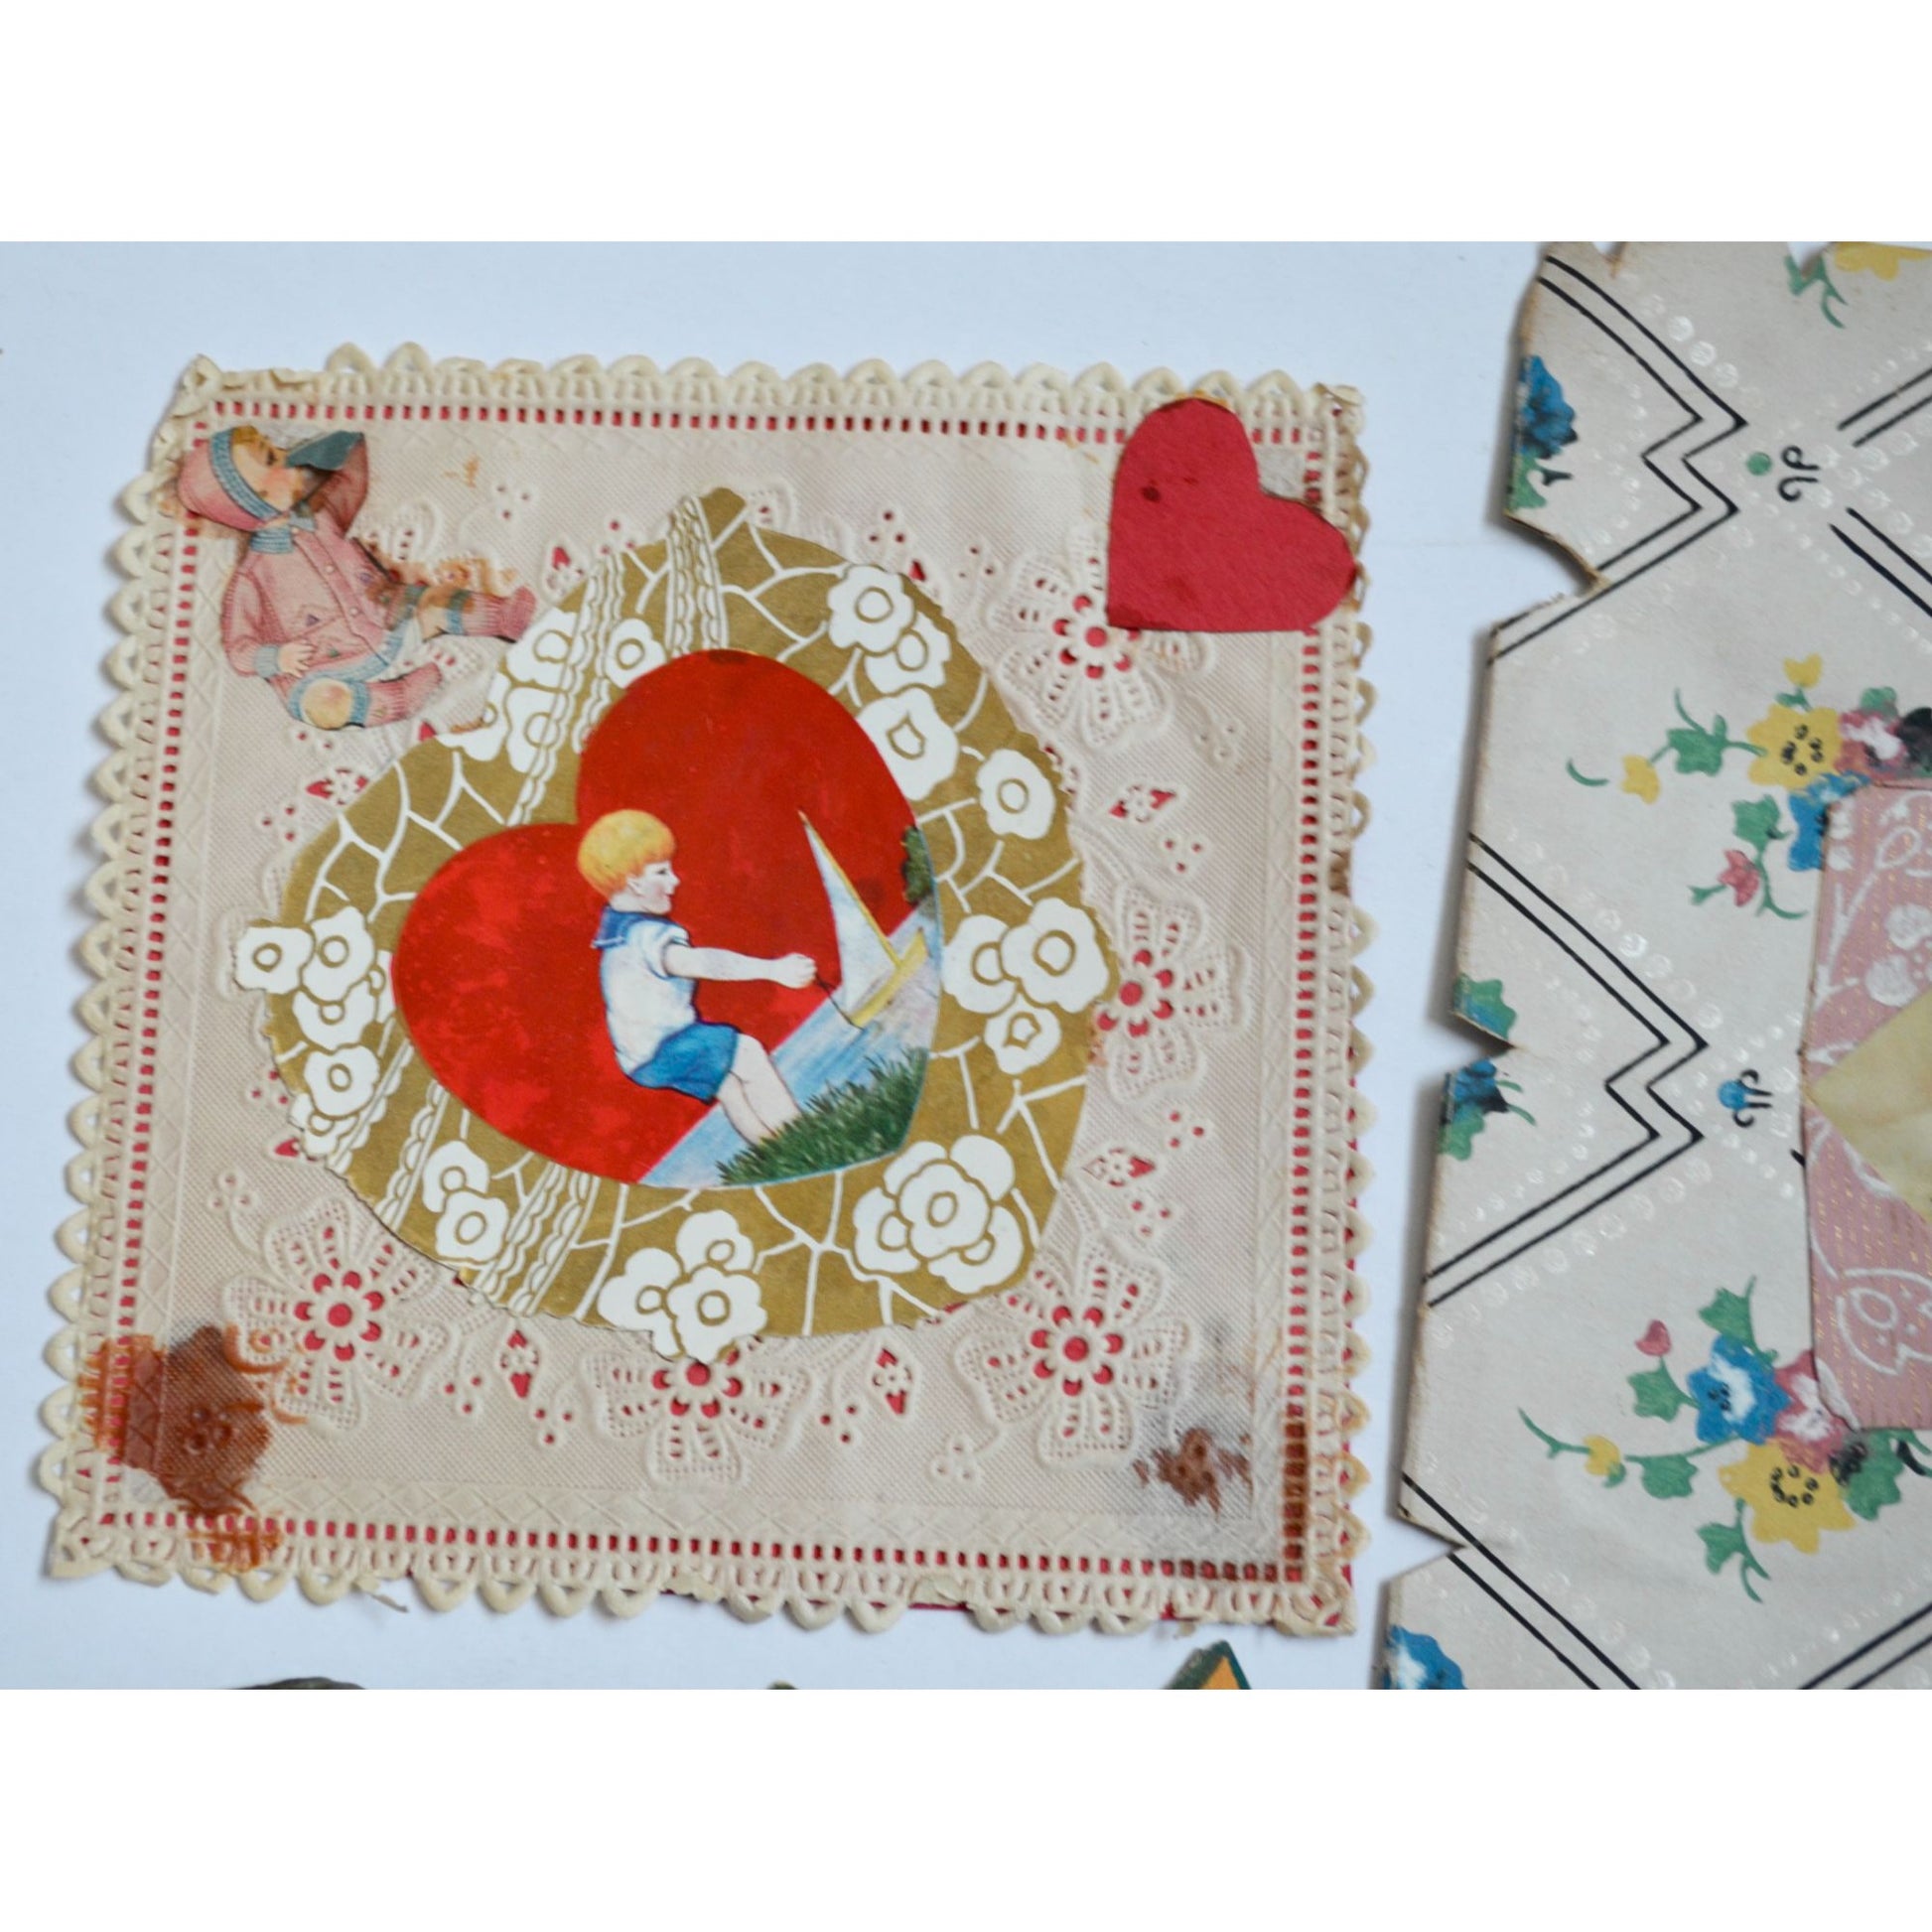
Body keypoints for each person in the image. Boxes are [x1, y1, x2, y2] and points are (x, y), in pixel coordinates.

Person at [174, 426, 536, 729]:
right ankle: (396, 699)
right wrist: (276, 658)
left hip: (385, 614)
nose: (285, 456)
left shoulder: (321, 515)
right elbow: (238, 649)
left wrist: (342, 445)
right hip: (321, 663)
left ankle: (505, 617)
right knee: (325, 704)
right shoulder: (252, 577)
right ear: (253, 499)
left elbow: (352, 482)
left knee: (438, 601)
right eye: (271, 458)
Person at [579, 809, 813, 1146]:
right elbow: (703, 963)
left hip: (638, 1062)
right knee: (747, 1053)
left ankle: (774, 1150)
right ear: (634, 883)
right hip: (666, 1046)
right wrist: (773, 970)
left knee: (728, 1086)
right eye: (662, 872)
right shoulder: (646, 935)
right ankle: (804, 1138)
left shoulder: (615, 935)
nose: (675, 881)